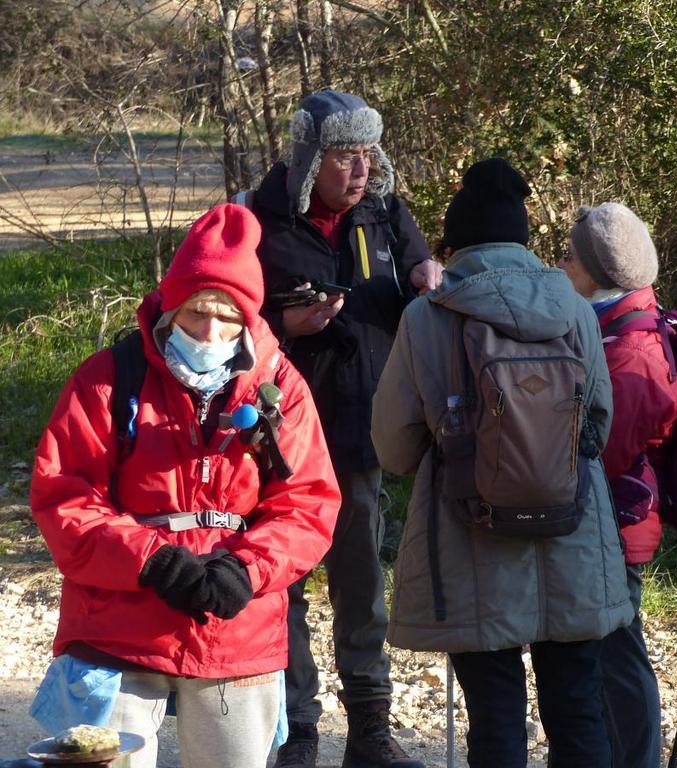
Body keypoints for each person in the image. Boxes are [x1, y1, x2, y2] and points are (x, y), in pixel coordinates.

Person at [29, 204, 341, 768]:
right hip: (117, 628)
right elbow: (64, 495)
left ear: (249, 320)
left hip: (236, 629)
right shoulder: (107, 379)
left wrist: (247, 570)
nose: (211, 332)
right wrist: (150, 560)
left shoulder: (280, 389)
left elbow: (308, 504)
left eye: (228, 319)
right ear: (172, 306)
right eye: (198, 313)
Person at [370, 158, 633, 768]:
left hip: (469, 536)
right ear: (523, 240)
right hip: (575, 530)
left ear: (454, 245)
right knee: (578, 709)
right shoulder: (573, 310)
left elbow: (396, 448)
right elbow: (597, 423)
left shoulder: (426, 317)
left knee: (494, 719)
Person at [249, 90, 440, 768]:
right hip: (274, 439)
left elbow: (422, 273)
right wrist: (282, 328)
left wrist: (426, 276)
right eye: (343, 157)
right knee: (282, 586)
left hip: (360, 434)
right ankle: (295, 733)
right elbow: (217, 323)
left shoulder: (385, 214)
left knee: (361, 588)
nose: (359, 171)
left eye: (366, 155)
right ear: (308, 157)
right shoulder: (256, 219)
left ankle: (369, 736)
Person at [559, 202, 677, 768]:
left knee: (618, 657)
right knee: (607, 654)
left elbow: (604, 452)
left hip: (618, 527)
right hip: (612, 523)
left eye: (568, 256)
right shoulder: (615, 326)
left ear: (594, 270)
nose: (560, 264)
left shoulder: (630, 352)